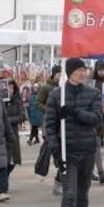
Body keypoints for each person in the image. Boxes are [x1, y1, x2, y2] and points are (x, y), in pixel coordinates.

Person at [45, 58, 102, 207]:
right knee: (69, 195)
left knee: (82, 196)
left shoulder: (93, 93)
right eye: (78, 70)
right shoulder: (56, 96)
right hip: (67, 153)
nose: (83, 73)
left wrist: (74, 113)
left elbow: (96, 119)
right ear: (70, 72)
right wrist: (55, 152)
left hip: (87, 152)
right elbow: (49, 128)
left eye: (84, 70)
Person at [39, 64, 64, 196]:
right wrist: (49, 110)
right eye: (58, 73)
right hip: (50, 123)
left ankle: (59, 181)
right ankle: (58, 180)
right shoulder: (46, 88)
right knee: (56, 154)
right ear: (54, 74)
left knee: (63, 159)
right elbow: (38, 103)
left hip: (64, 126)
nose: (60, 75)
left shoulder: (66, 89)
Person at [91, 59, 104, 184]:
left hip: (102, 119)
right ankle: (100, 172)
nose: (101, 72)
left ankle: (95, 171)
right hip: (91, 117)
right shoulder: (91, 83)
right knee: (94, 146)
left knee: (96, 146)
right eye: (99, 69)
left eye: (103, 70)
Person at [4, 80, 25, 178]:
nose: (10, 90)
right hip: (1, 134)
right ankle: (2, 181)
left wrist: (8, 120)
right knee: (2, 160)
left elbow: (22, 116)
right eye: (8, 87)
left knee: (12, 161)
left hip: (13, 133)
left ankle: (4, 176)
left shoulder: (17, 100)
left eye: (12, 88)